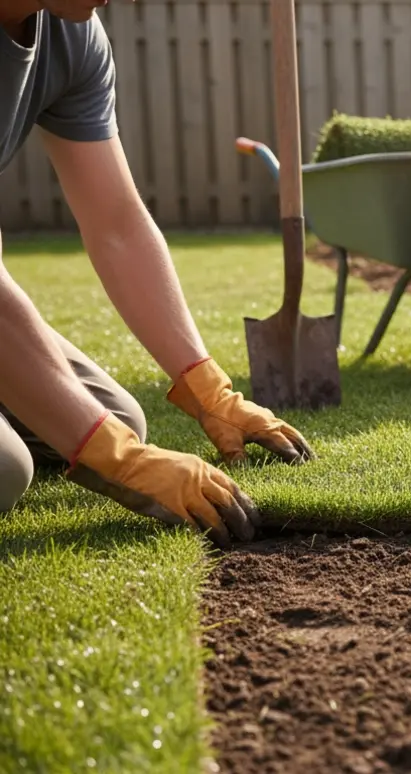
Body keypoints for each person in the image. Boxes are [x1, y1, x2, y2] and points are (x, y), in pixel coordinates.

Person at [1, 0, 315, 548]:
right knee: (8, 469)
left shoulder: (73, 38)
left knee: (119, 417)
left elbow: (117, 223)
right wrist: (120, 459)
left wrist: (208, 391)